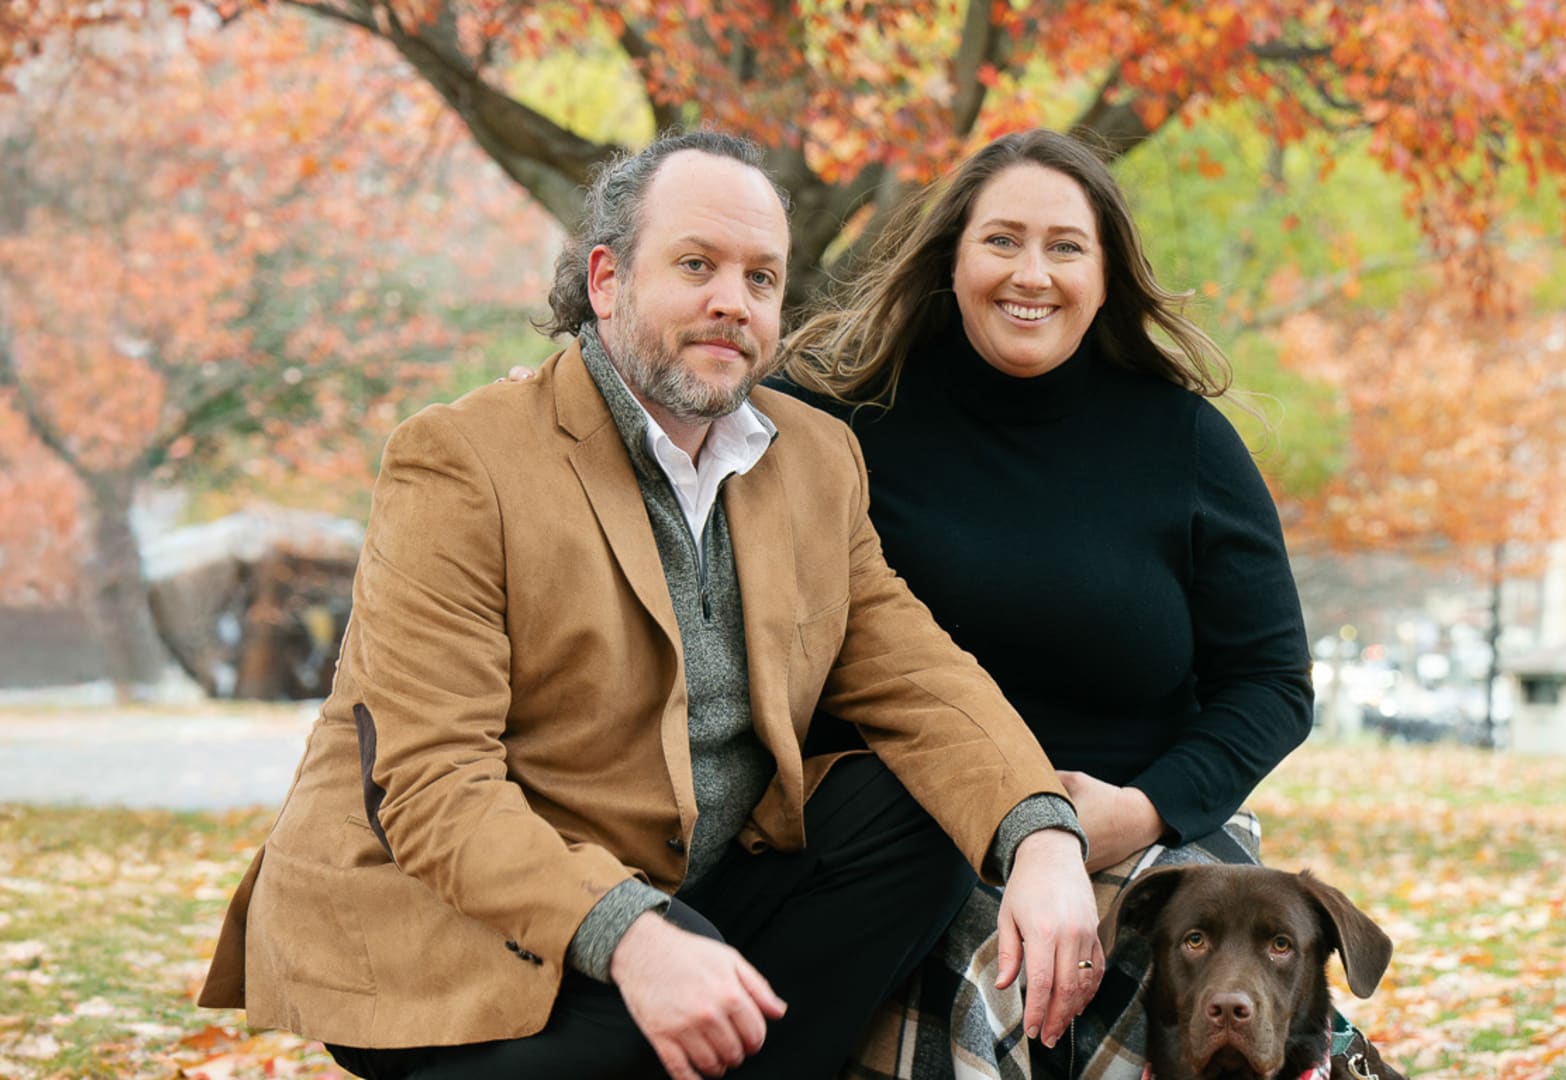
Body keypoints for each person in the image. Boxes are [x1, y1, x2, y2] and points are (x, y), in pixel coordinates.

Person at [196, 129, 1105, 1080]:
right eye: (696, 265)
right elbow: (430, 784)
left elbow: (917, 675)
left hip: (687, 891)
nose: (733, 301)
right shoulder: (462, 463)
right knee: (654, 1023)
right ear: (607, 280)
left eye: (761, 277)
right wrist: (634, 937)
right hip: (455, 921)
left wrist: (1042, 834)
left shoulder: (815, 458)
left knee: (912, 813)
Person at [776, 129, 1322, 1078]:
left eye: (1066, 247)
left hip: (1141, 822)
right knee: (991, 962)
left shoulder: (1184, 441)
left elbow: (1272, 684)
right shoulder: (835, 416)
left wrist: (1141, 812)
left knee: (1184, 978)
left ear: (1106, 279)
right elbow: (675, 421)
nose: (1032, 274)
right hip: (911, 826)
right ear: (951, 259)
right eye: (1002, 241)